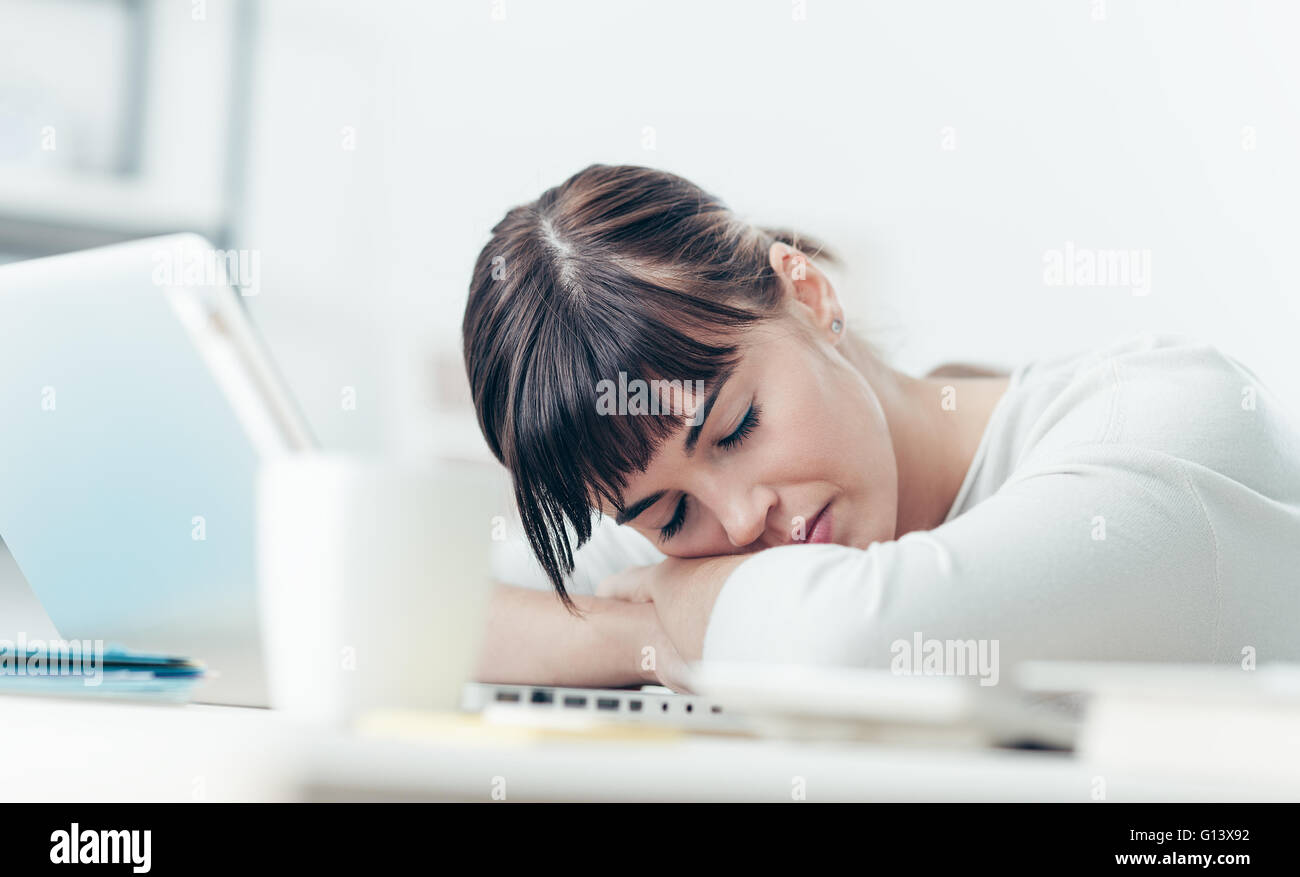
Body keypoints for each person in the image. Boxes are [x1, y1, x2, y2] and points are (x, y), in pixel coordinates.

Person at [462, 163, 1300, 692]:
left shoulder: (1168, 424)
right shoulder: (708, 561)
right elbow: (433, 609)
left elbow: (850, 644)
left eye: (737, 425)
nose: (743, 520)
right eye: (670, 517)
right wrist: (656, 629)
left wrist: (676, 610)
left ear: (810, 296)